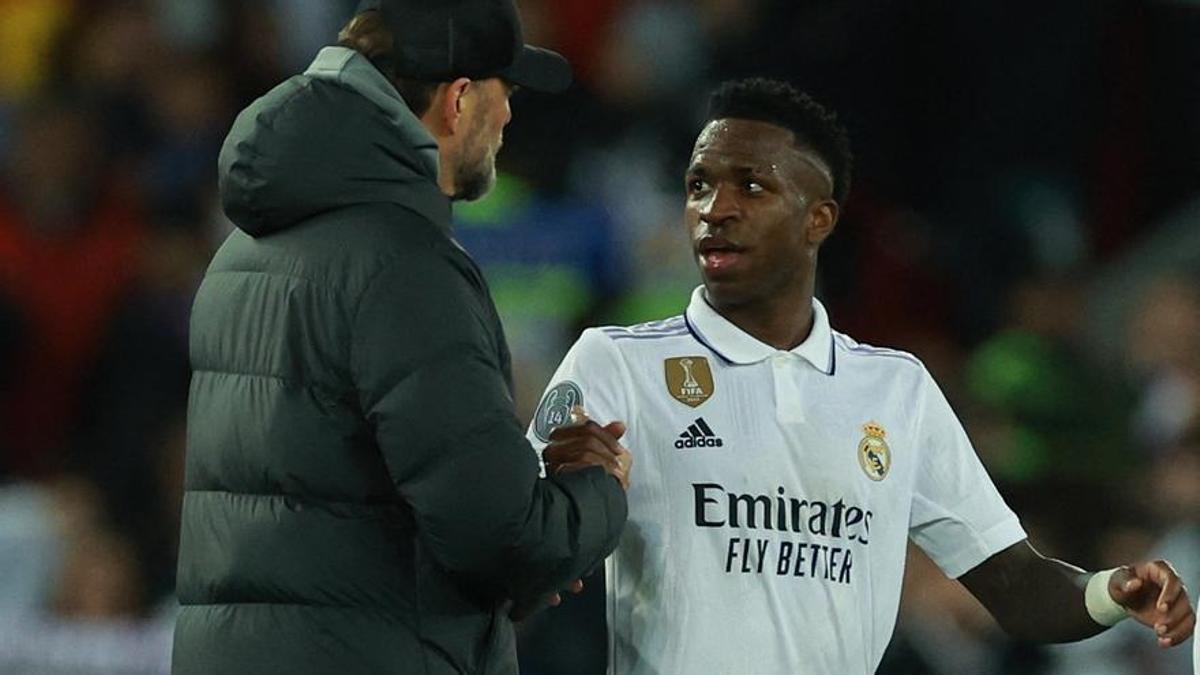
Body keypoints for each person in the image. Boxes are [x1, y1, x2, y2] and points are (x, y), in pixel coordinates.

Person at [528, 78, 1195, 673]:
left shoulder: (894, 390)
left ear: (819, 218)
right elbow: (514, 543)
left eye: (751, 186)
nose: (714, 208)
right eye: (699, 184)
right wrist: (570, 503)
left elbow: (1017, 587)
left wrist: (1112, 591)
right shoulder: (618, 363)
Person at [173, 2, 632, 674]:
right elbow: (498, 537)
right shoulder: (403, 265)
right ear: (458, 100)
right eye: (505, 93)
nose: (508, 117)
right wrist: (596, 490)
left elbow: (340, 520)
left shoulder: (244, 250)